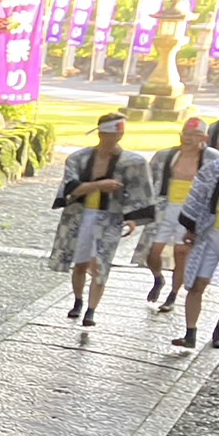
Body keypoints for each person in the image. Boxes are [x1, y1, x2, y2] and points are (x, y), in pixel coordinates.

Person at [47, 112, 153, 327]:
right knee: (80, 263)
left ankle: (91, 310)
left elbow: (139, 193)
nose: (108, 138)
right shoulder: (79, 158)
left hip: (110, 218)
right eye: (105, 133)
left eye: (113, 134)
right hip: (79, 215)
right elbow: (70, 189)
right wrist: (99, 185)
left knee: (100, 265)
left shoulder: (134, 163)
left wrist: (132, 219)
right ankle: (78, 300)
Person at [134, 118, 219, 311]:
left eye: (194, 135)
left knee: (182, 253)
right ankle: (158, 278)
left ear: (204, 137)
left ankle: (173, 295)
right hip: (166, 208)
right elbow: (147, 181)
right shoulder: (165, 156)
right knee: (152, 252)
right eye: (186, 134)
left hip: (191, 212)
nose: (188, 139)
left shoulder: (213, 159)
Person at [171, 149, 219, 349]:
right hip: (209, 235)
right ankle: (190, 332)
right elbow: (196, 197)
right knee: (197, 284)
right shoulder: (214, 169)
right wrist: (190, 227)